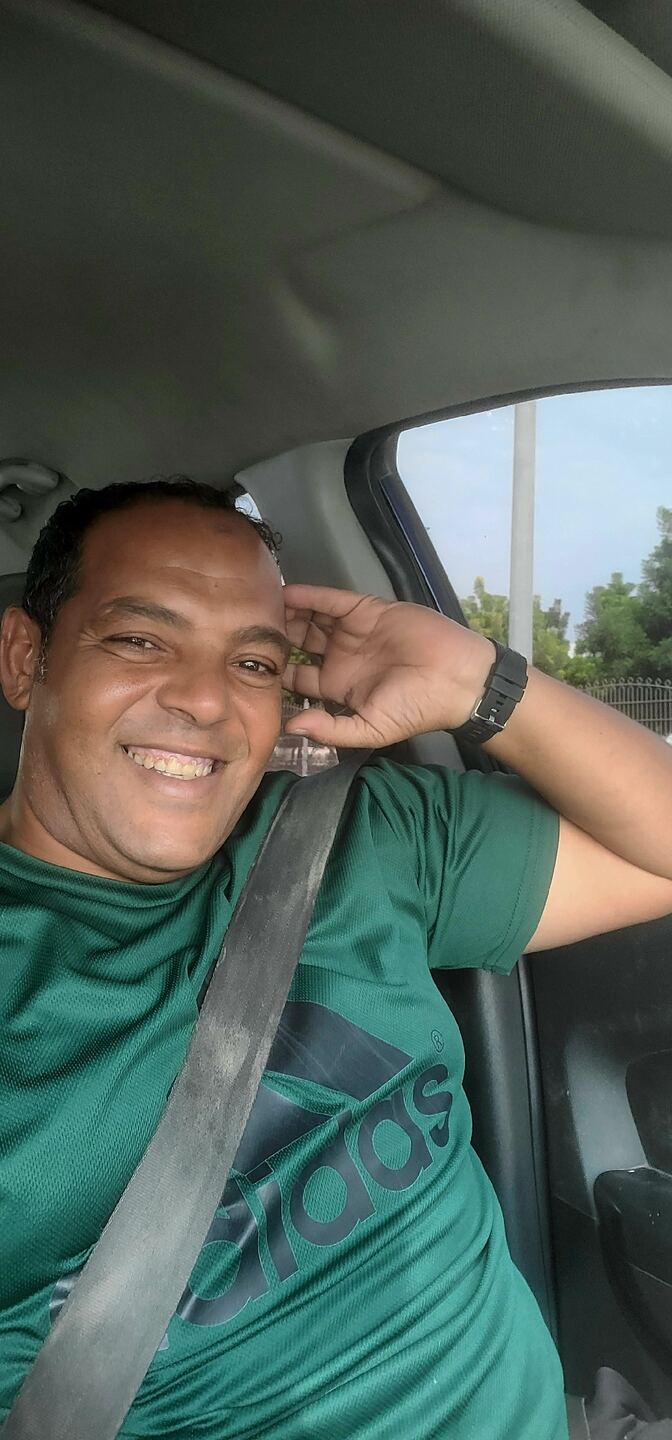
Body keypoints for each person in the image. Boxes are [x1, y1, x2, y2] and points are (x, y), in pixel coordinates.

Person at [0, 478, 671, 1440]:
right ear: (27, 658)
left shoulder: (355, 836)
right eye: (140, 640)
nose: (205, 699)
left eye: (253, 661)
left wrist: (479, 683)